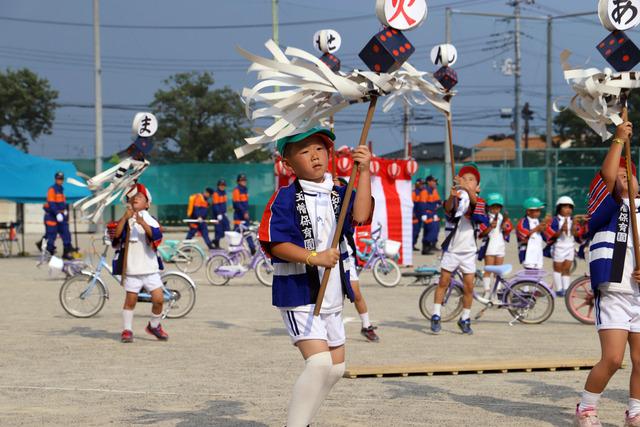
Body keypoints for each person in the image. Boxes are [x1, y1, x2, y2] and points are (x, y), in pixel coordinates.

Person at [258, 127, 373, 427]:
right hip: (299, 292)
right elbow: (275, 242)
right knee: (319, 363)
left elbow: (360, 216)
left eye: (319, 149)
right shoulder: (284, 198)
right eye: (304, 151)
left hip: (333, 291)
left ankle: (304, 420)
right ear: (287, 163)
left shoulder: (339, 191)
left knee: (335, 369)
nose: (314, 155)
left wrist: (365, 172)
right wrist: (314, 257)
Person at [575, 121, 640, 426]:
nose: (626, 179)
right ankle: (586, 408)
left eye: (632, 176)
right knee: (613, 359)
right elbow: (607, 175)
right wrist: (618, 140)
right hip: (615, 291)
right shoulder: (608, 208)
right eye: (622, 177)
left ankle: (635, 412)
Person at [430, 162, 488, 335]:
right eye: (464, 178)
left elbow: (477, 212)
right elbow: (448, 210)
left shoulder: (479, 202)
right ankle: (436, 314)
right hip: (452, 251)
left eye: (471, 180)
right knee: (443, 282)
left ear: (477, 186)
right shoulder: (456, 198)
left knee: (469, 286)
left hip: (469, 252)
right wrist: (451, 196)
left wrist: (466, 189)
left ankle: (465, 318)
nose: (467, 182)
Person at [112, 183, 167, 343]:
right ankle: (127, 330)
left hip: (150, 269)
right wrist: (125, 218)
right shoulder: (126, 218)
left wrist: (142, 223)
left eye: (140, 197)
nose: (136, 198)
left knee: (158, 299)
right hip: (132, 269)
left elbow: (156, 237)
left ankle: (154, 325)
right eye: (134, 197)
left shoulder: (152, 220)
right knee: (130, 300)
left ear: (147, 204)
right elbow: (116, 236)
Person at [335, 177, 380, 342]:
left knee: (355, 292)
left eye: (338, 186)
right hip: (323, 255)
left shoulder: (349, 209)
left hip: (344, 254)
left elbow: (362, 212)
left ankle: (366, 325)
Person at [544, 196, 584, 297]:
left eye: (570, 207)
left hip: (570, 247)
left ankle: (566, 289)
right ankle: (558, 289)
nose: (568, 210)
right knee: (558, 268)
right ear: (559, 208)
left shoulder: (573, 220)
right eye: (565, 207)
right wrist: (561, 229)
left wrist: (575, 226)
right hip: (558, 247)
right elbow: (550, 234)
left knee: (566, 268)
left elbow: (577, 235)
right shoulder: (554, 220)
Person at [477, 192, 513, 299]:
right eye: (493, 206)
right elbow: (481, 234)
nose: (495, 208)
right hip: (490, 245)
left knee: (499, 270)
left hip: (500, 244)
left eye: (498, 206)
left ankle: (497, 290)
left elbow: (507, 231)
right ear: (488, 206)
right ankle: (487, 290)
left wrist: (506, 227)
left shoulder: (502, 216)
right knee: (488, 269)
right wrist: (490, 227)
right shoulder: (485, 217)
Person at [42, 171, 74, 259]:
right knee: (51, 235)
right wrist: (57, 213)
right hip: (52, 216)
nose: (60, 180)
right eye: (58, 179)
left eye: (61, 179)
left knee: (66, 234)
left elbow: (62, 202)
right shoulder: (52, 189)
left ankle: (66, 253)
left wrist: (65, 211)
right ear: (55, 179)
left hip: (61, 215)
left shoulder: (61, 189)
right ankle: (49, 254)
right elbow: (51, 203)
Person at [516, 197, 550, 270]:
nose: (539, 213)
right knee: (530, 274)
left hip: (537, 253)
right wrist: (537, 228)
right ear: (528, 211)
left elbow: (545, 237)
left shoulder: (537, 221)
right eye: (536, 210)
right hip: (527, 254)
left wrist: (544, 228)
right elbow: (523, 236)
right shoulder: (523, 222)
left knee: (537, 274)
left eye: (539, 210)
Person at [233, 174, 256, 255]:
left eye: (244, 180)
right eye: (242, 180)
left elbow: (245, 203)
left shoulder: (245, 190)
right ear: (238, 181)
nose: (244, 181)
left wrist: (246, 212)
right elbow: (237, 204)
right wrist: (244, 212)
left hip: (245, 214)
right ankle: (234, 251)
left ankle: (252, 248)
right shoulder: (236, 190)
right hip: (239, 215)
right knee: (237, 233)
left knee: (247, 232)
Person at [422, 175, 442, 255]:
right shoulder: (425, 191)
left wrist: (440, 204)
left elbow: (437, 200)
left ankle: (432, 245)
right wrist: (423, 213)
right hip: (428, 213)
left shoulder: (434, 190)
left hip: (433, 212)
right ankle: (426, 248)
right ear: (428, 182)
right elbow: (422, 203)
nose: (434, 183)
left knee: (435, 228)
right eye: (433, 181)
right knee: (431, 229)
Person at [211, 179, 230, 249]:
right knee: (218, 230)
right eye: (221, 185)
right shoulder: (216, 194)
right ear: (218, 186)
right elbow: (216, 205)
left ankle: (215, 240)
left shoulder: (224, 193)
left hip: (223, 214)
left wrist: (225, 212)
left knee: (227, 228)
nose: (222, 187)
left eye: (223, 185)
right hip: (217, 215)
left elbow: (224, 204)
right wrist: (218, 214)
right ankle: (217, 244)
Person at [412, 179, 426, 251]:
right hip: (414, 215)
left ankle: (413, 244)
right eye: (421, 184)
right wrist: (413, 214)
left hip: (420, 215)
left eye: (423, 184)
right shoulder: (414, 193)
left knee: (418, 231)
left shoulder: (422, 192)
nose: (423, 185)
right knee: (414, 230)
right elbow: (412, 204)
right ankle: (411, 245)